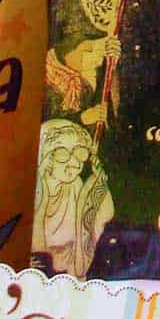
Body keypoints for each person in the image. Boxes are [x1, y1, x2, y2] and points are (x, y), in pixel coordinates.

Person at [32, 117, 113, 278]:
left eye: (79, 153)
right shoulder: (34, 189)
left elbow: (98, 221)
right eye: (63, 154)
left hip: (70, 271)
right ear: (46, 158)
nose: (74, 163)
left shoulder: (76, 185)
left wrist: (98, 188)